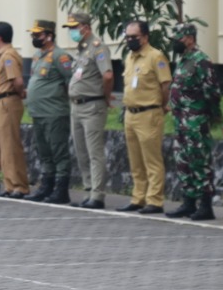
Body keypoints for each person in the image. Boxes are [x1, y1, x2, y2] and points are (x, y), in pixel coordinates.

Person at [165, 22, 221, 221]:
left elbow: (212, 92)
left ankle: (205, 205)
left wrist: (208, 117)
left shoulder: (201, 60)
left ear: (189, 38)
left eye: (179, 39)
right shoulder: (183, 60)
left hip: (196, 121)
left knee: (199, 161)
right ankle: (189, 202)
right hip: (181, 121)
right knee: (183, 161)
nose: (176, 43)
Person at [117, 20, 171, 214]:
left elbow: (165, 85)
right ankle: (138, 197)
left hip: (149, 112)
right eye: (128, 37)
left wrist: (163, 106)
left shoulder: (156, 57)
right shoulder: (130, 57)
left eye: (134, 37)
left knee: (152, 159)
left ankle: (155, 200)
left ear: (146, 37)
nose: (130, 40)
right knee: (135, 160)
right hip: (131, 114)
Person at [63, 11, 113, 209]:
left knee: (94, 152)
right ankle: (88, 189)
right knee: (81, 151)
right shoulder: (82, 48)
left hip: (92, 105)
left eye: (74, 28)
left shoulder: (97, 48)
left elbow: (108, 75)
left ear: (85, 27)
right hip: (76, 105)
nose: (72, 31)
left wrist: (106, 97)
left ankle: (97, 194)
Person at [25, 19, 74, 204]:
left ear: (49, 36)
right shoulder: (38, 56)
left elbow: (72, 80)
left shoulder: (60, 57)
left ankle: (61, 189)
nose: (34, 38)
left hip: (54, 112)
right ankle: (47, 185)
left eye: (38, 35)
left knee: (58, 150)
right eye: (33, 35)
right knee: (44, 150)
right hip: (38, 112)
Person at [0, 21, 29, 197]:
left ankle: (19, 185)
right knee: (4, 146)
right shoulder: (2, 56)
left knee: (11, 145)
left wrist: (20, 93)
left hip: (7, 102)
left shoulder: (8, 56)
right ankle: (10, 184)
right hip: (0, 102)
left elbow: (18, 81)